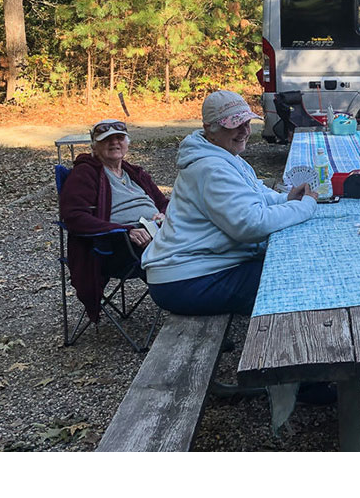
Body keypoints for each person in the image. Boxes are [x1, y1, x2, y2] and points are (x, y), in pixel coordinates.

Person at [141, 90, 317, 317]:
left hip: (197, 269)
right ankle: (283, 344)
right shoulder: (211, 168)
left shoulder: (223, 155)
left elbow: (256, 193)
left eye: (246, 122)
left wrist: (287, 199)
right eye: (234, 125)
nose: (244, 131)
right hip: (186, 279)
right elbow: (251, 225)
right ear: (209, 129)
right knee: (291, 278)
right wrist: (304, 207)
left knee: (288, 261)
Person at [59, 119, 169, 323]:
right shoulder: (85, 173)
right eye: (106, 140)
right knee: (174, 252)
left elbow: (165, 202)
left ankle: (203, 301)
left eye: (119, 138)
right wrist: (124, 230)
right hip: (117, 246)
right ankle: (184, 307)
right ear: (95, 146)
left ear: (127, 143)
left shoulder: (135, 173)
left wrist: (163, 214)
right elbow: (74, 216)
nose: (114, 143)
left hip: (157, 231)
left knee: (199, 236)